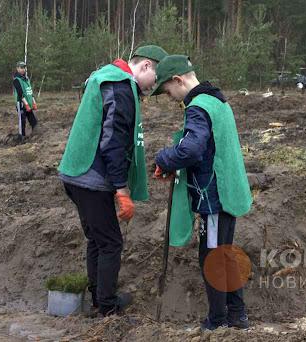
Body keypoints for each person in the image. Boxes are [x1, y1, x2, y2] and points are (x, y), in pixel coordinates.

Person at [57, 45, 168, 317]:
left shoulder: (104, 76)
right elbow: (113, 142)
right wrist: (121, 190)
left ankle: (98, 298)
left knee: (97, 239)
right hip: (90, 178)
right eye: (156, 80)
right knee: (110, 242)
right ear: (145, 67)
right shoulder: (119, 86)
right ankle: (107, 306)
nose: (154, 89)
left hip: (75, 174)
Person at [151, 55, 253, 330]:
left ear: (178, 80)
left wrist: (164, 158)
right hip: (226, 193)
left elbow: (191, 149)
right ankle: (237, 315)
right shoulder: (217, 100)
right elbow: (205, 148)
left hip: (215, 198)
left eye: (168, 91)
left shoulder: (198, 107)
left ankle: (218, 321)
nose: (170, 97)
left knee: (212, 257)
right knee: (224, 253)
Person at [13, 61, 38, 142]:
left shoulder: (26, 79)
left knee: (32, 118)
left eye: (24, 67)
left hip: (28, 102)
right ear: (17, 68)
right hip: (21, 104)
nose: (23, 69)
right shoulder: (16, 80)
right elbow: (20, 94)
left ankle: (36, 132)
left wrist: (33, 102)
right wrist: (26, 105)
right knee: (22, 120)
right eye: (21, 67)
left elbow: (30, 92)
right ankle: (21, 137)